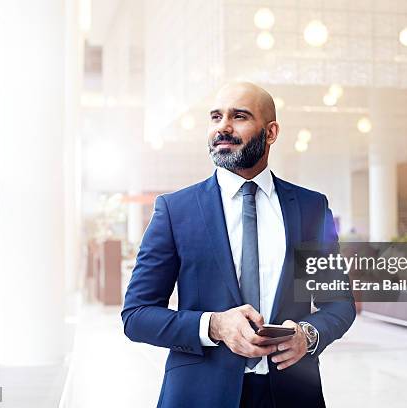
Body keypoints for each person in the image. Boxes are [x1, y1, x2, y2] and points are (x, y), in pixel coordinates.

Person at [121, 82, 355, 408]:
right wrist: (214, 325)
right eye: (216, 117)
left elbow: (339, 303)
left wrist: (309, 335)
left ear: (270, 132)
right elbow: (137, 315)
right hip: (199, 395)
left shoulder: (311, 208)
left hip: (291, 394)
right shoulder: (176, 210)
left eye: (239, 116)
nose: (223, 128)